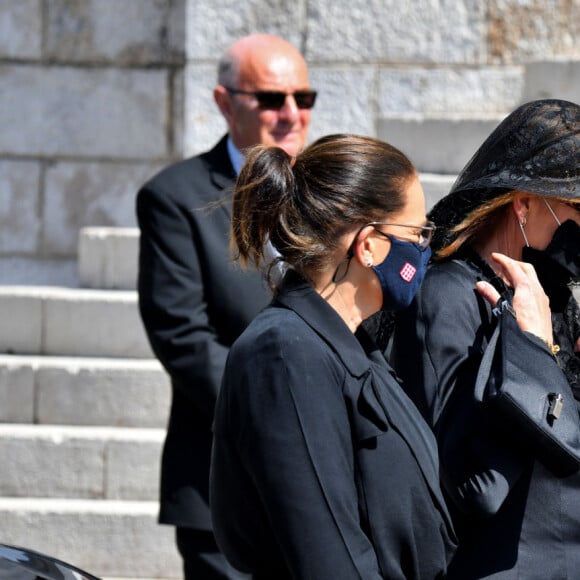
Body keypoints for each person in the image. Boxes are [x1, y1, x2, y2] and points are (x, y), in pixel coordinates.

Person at [209, 134, 457, 579]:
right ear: (369, 245)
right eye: (417, 233)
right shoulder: (285, 354)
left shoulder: (354, 344)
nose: (424, 249)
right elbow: (329, 556)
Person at [136, 33, 316, 580]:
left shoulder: (334, 192)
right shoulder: (176, 197)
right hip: (227, 478)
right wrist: (281, 415)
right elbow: (183, 335)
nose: (290, 115)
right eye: (270, 99)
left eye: (303, 99)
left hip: (324, 482)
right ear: (223, 102)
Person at [390, 98, 580, 578]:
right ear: (524, 203)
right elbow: (477, 484)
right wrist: (533, 352)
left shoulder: (551, 295)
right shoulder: (447, 298)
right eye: (577, 205)